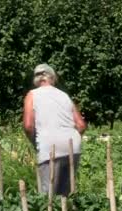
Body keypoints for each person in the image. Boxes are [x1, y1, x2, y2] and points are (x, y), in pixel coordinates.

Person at [23, 63, 87, 196]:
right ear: (52, 78)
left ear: (36, 80)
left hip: (49, 147)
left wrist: (35, 143)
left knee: (48, 197)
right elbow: (81, 125)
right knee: (66, 195)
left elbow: (28, 126)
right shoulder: (64, 95)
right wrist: (71, 138)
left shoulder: (32, 95)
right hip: (72, 147)